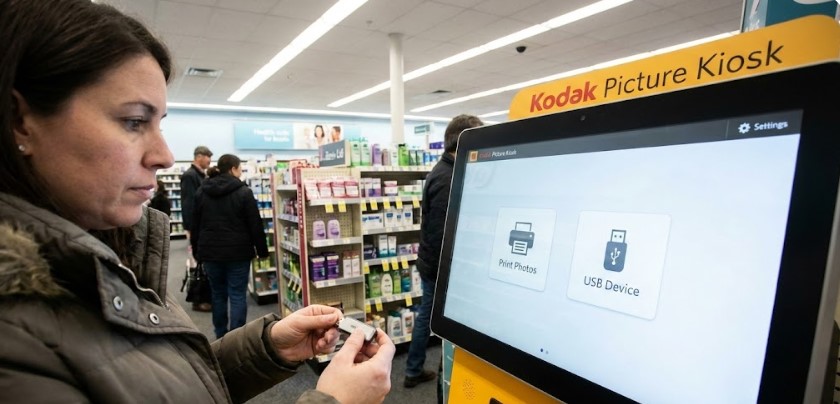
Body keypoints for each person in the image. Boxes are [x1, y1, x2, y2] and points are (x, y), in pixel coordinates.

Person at [0, 1, 394, 403]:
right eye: (134, 121)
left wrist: (269, 347)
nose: (166, 155)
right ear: (20, 120)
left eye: (160, 124)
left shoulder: (115, 258)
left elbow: (165, 386)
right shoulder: (15, 347)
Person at [404, 114, 483, 389]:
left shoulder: (447, 170)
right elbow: (440, 234)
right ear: (462, 140)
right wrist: (448, 275)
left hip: (432, 264)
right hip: (439, 269)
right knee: (429, 318)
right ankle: (413, 371)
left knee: (426, 317)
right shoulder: (448, 178)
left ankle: (414, 369)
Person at [191, 154, 268, 338]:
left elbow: (196, 224)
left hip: (210, 253)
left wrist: (197, 250)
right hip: (238, 253)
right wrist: (262, 250)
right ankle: (236, 338)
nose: (240, 172)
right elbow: (254, 224)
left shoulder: (202, 191)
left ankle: (220, 335)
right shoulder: (244, 192)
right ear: (233, 169)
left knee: (218, 295)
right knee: (237, 294)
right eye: (240, 168)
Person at [182, 145, 213, 311]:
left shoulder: (200, 175)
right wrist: (191, 228)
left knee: (203, 264)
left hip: (202, 227)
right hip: (197, 227)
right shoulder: (190, 176)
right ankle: (199, 299)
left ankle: (203, 297)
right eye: (208, 157)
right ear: (199, 156)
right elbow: (188, 204)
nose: (209, 161)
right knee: (199, 265)